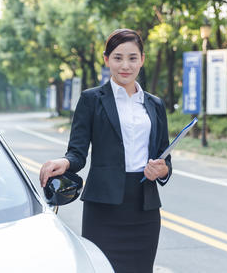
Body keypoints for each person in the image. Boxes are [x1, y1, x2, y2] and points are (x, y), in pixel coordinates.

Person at [39, 29, 172, 273]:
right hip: (103, 209)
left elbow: (165, 157)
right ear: (106, 59)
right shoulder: (91, 99)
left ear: (142, 59)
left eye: (132, 58)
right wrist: (65, 162)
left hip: (145, 208)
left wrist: (162, 170)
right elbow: (77, 152)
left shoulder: (155, 104)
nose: (125, 65)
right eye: (118, 57)